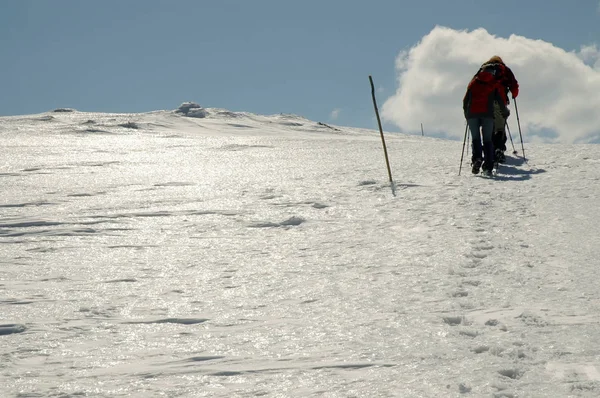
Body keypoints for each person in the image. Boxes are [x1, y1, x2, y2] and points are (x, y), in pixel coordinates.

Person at [463, 62, 510, 176]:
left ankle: (477, 158)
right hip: (488, 115)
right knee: (488, 140)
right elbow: (499, 101)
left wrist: (467, 114)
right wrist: (505, 113)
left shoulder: (473, 83)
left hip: (472, 115)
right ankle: (488, 166)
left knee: (476, 139)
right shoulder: (493, 84)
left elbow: (466, 100)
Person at [476, 56, 519, 163]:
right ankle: (499, 149)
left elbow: (474, 84)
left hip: (484, 102)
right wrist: (513, 94)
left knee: (487, 126)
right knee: (500, 126)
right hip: (499, 101)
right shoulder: (504, 69)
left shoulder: (483, 69)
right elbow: (514, 85)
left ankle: (488, 150)